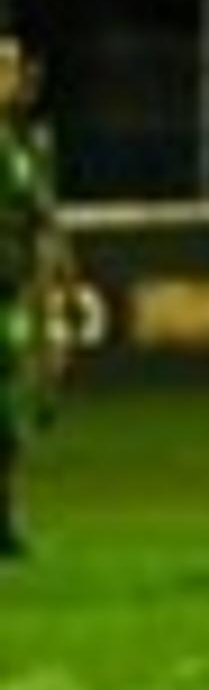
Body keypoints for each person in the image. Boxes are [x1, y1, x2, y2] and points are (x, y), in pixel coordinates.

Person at [0, 29, 80, 565]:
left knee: (8, 418)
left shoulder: (22, 146)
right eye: (4, 68)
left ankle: (3, 520)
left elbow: (42, 221)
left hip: (5, 294)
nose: (15, 78)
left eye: (14, 67)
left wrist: (64, 282)